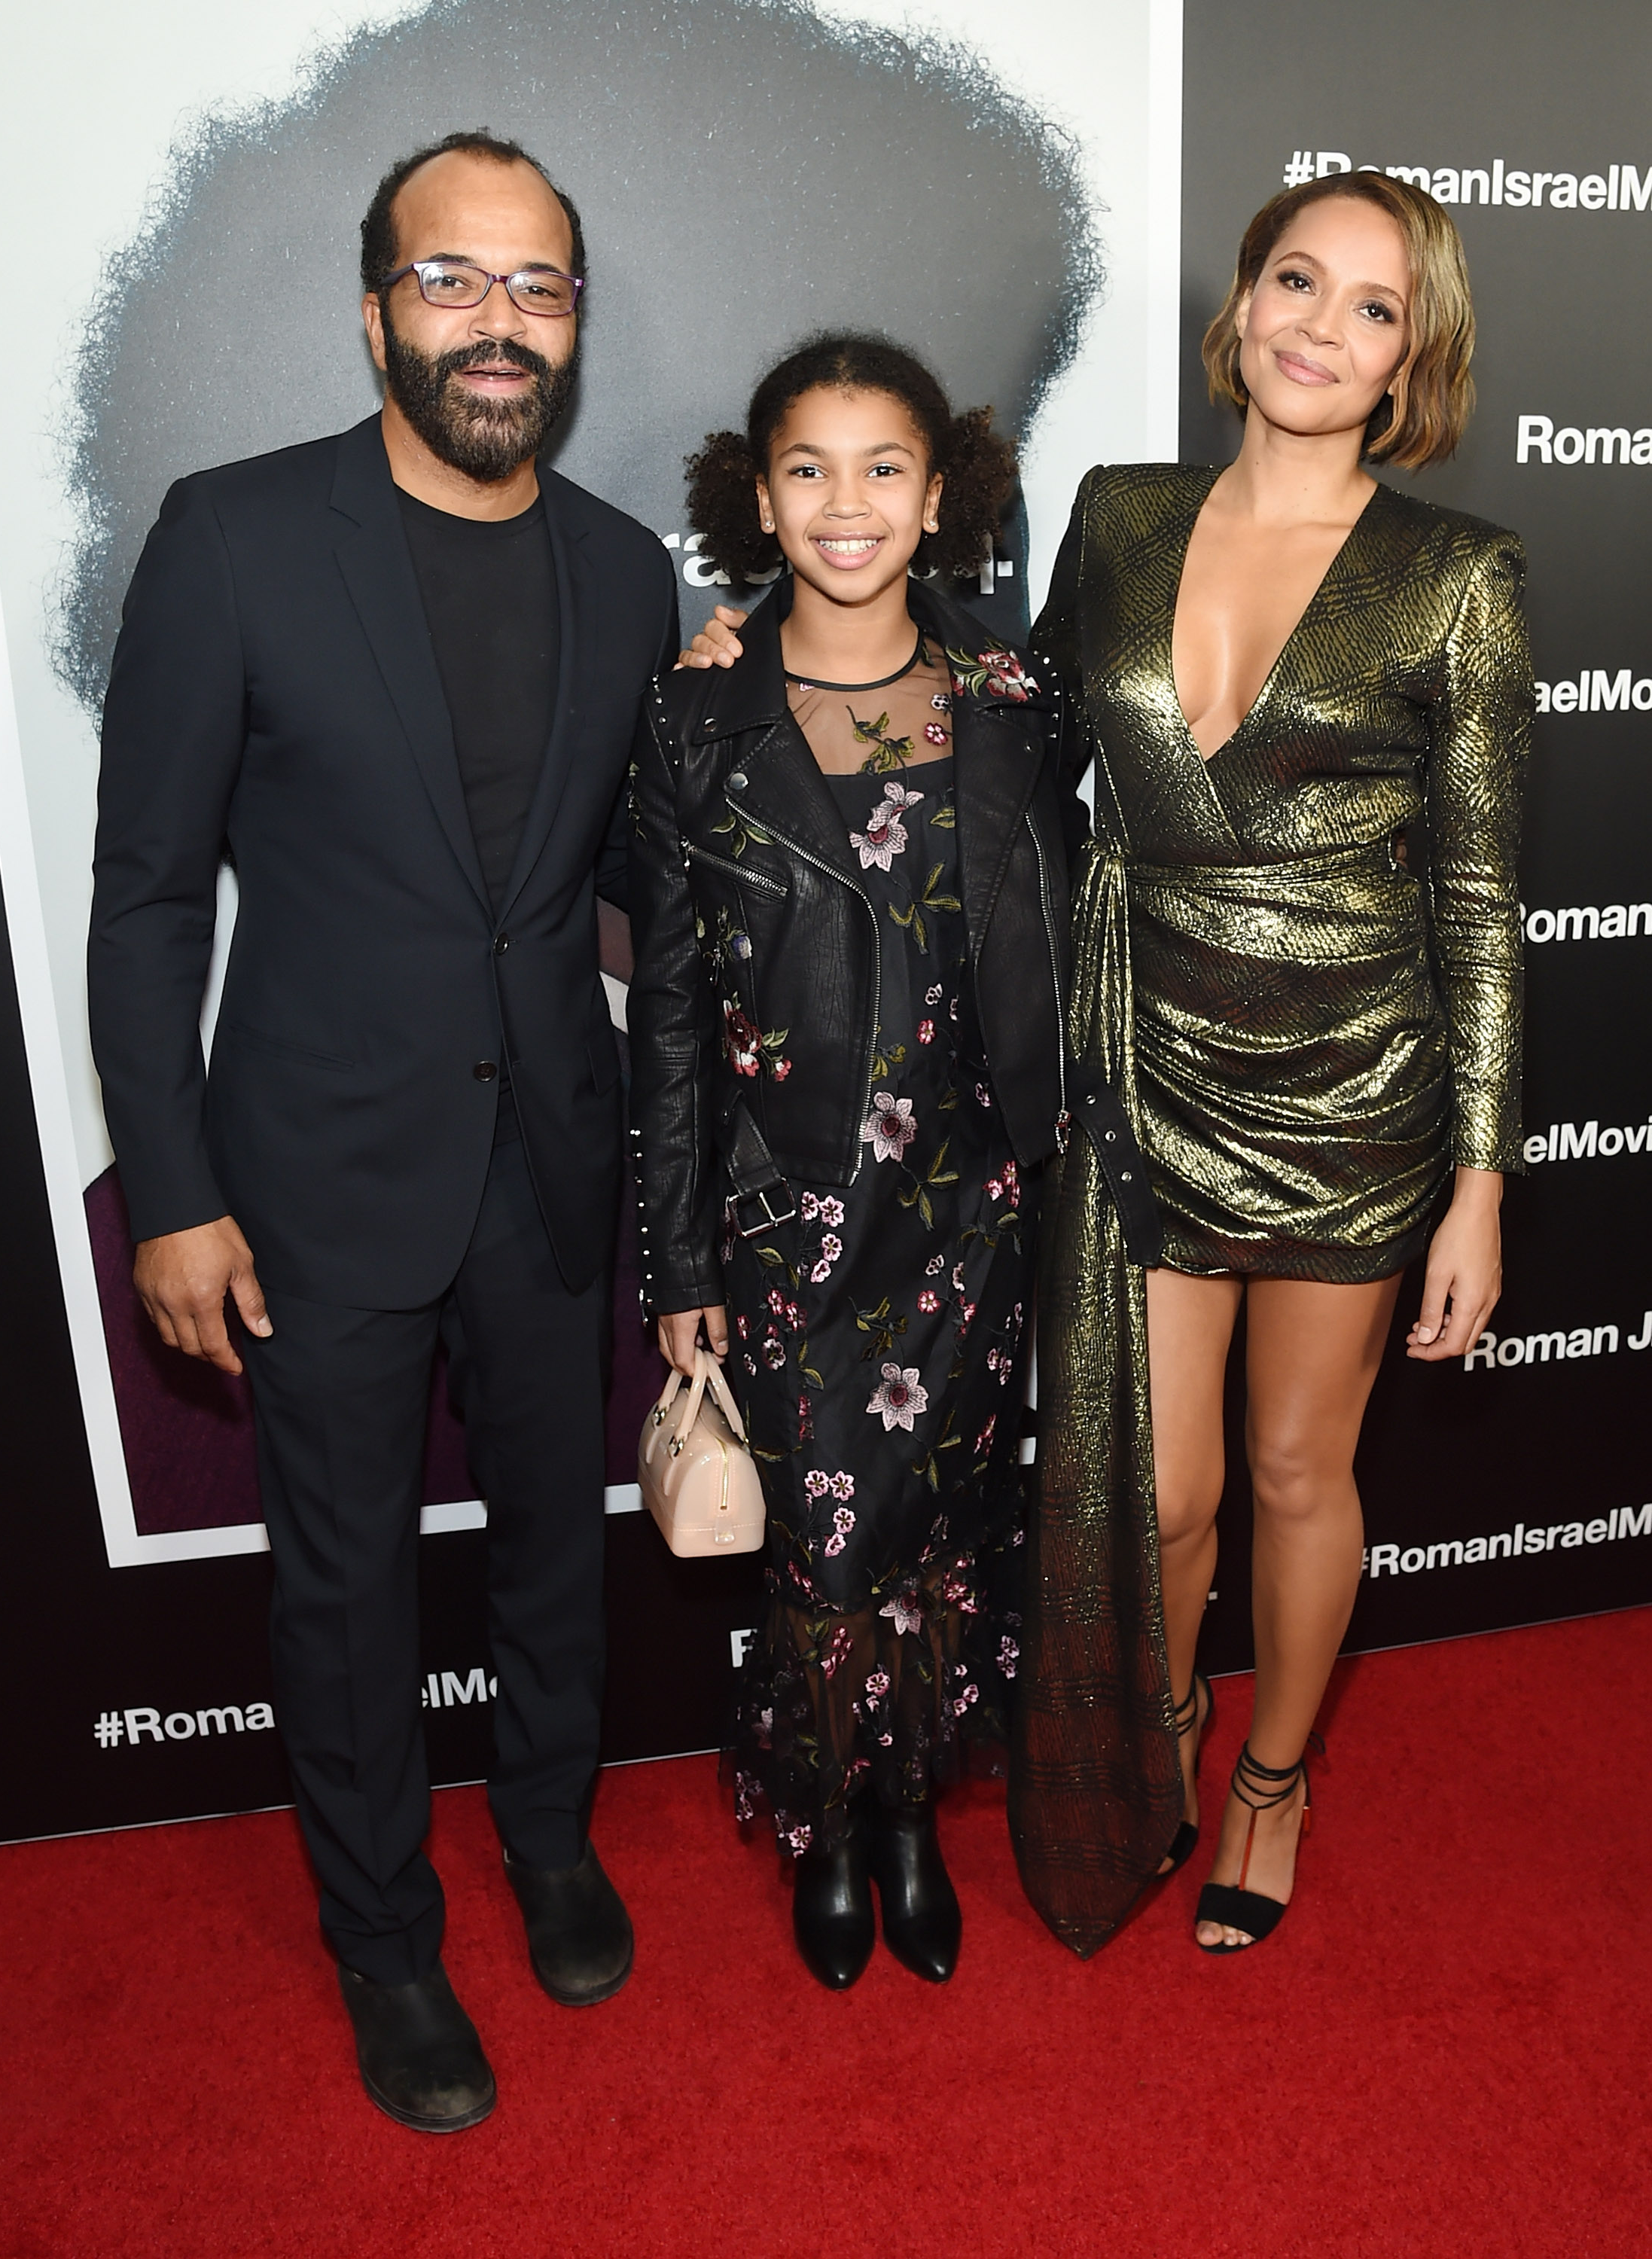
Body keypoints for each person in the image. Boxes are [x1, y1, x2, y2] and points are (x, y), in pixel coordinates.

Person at [89, 132, 678, 2129]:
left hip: (552, 1166)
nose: (499, 323)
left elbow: (622, 881)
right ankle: (387, 1945)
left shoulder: (620, 565)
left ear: (575, 326)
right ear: (375, 310)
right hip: (316, 1178)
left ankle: (548, 1836)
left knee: (553, 1559)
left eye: (540, 286)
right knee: (341, 1593)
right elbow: (151, 894)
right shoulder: (236, 537)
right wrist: (169, 1192)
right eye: (455, 280)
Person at [1013, 171, 1531, 1956]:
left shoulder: (1452, 577)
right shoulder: (1117, 513)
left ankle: (1272, 1776)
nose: (1320, 325)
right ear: (1238, 307)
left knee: (1300, 1473)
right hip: (1145, 1061)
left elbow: (1475, 896)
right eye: (1294, 281)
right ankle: (1158, 1733)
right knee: (1162, 1491)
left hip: (1353, 1089)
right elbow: (1012, 723)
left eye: (1370, 307)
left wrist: (1476, 1182)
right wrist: (782, 676)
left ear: (1407, 363)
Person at [628, 336, 1085, 1989]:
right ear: (756, 498)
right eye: (805, 469)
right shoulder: (693, 715)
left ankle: (908, 1812)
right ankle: (829, 1820)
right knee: (821, 1544)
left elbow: (1066, 945)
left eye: (880, 467)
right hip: (787, 1216)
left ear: (939, 492)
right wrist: (676, 1266)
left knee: (944, 1526)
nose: (844, 503)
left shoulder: (1018, 699)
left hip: (974, 1209)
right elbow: (667, 1017)